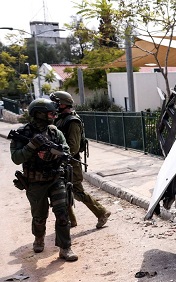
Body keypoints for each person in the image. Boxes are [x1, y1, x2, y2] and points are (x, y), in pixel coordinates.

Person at [10, 98, 78, 261]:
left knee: (62, 213)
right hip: (35, 182)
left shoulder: (55, 132)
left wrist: (52, 155)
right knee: (39, 217)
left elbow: (67, 152)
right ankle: (39, 238)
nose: (54, 115)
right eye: (50, 112)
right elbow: (16, 158)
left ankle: (65, 247)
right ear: (38, 114)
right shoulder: (23, 133)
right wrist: (31, 146)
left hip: (56, 178)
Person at [50, 91, 111, 229]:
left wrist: (57, 154)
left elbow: (73, 147)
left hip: (71, 163)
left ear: (64, 104)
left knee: (77, 192)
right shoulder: (60, 118)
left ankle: (102, 212)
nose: (54, 105)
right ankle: (71, 220)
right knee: (62, 192)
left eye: (56, 102)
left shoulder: (72, 121)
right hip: (61, 162)